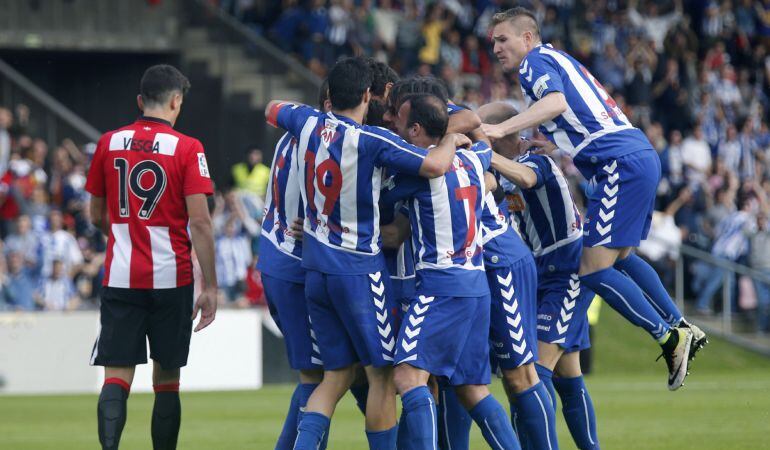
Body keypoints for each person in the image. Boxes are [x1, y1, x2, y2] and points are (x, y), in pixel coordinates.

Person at [482, 7, 706, 390]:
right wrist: (550, 141)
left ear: (527, 38)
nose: (497, 48)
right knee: (620, 259)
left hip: (617, 165)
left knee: (594, 270)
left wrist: (499, 127)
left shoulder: (532, 64)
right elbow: (576, 114)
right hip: (635, 156)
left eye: (503, 39)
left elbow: (555, 104)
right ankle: (681, 324)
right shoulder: (554, 58)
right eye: (493, 42)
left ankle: (669, 337)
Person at [265, 57, 466, 450]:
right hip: (358, 271)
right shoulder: (373, 140)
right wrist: (450, 137)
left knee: (333, 377)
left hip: (315, 270)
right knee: (382, 376)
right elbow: (436, 165)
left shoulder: (304, 121)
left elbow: (273, 108)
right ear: (366, 96)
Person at [85, 64, 218, 450]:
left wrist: (127, 234)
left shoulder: (108, 143)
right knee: (167, 380)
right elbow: (201, 222)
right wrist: (210, 285)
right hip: (171, 279)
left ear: (140, 101)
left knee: (116, 376)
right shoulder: (188, 148)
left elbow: (95, 214)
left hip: (122, 277)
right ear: (177, 102)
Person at [381, 93, 520, 450]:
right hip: (476, 285)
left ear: (415, 130)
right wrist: (453, 136)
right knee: (473, 389)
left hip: (442, 287)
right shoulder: (474, 161)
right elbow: (483, 142)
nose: (393, 125)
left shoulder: (416, 171)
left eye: (399, 121)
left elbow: (391, 220)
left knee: (408, 377)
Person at [480, 101, 599, 450]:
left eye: (481, 131)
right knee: (568, 374)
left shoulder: (536, 160)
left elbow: (528, 179)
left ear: (497, 132)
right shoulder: (505, 168)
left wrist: (480, 156)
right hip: (540, 273)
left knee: (532, 374)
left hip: (569, 268)